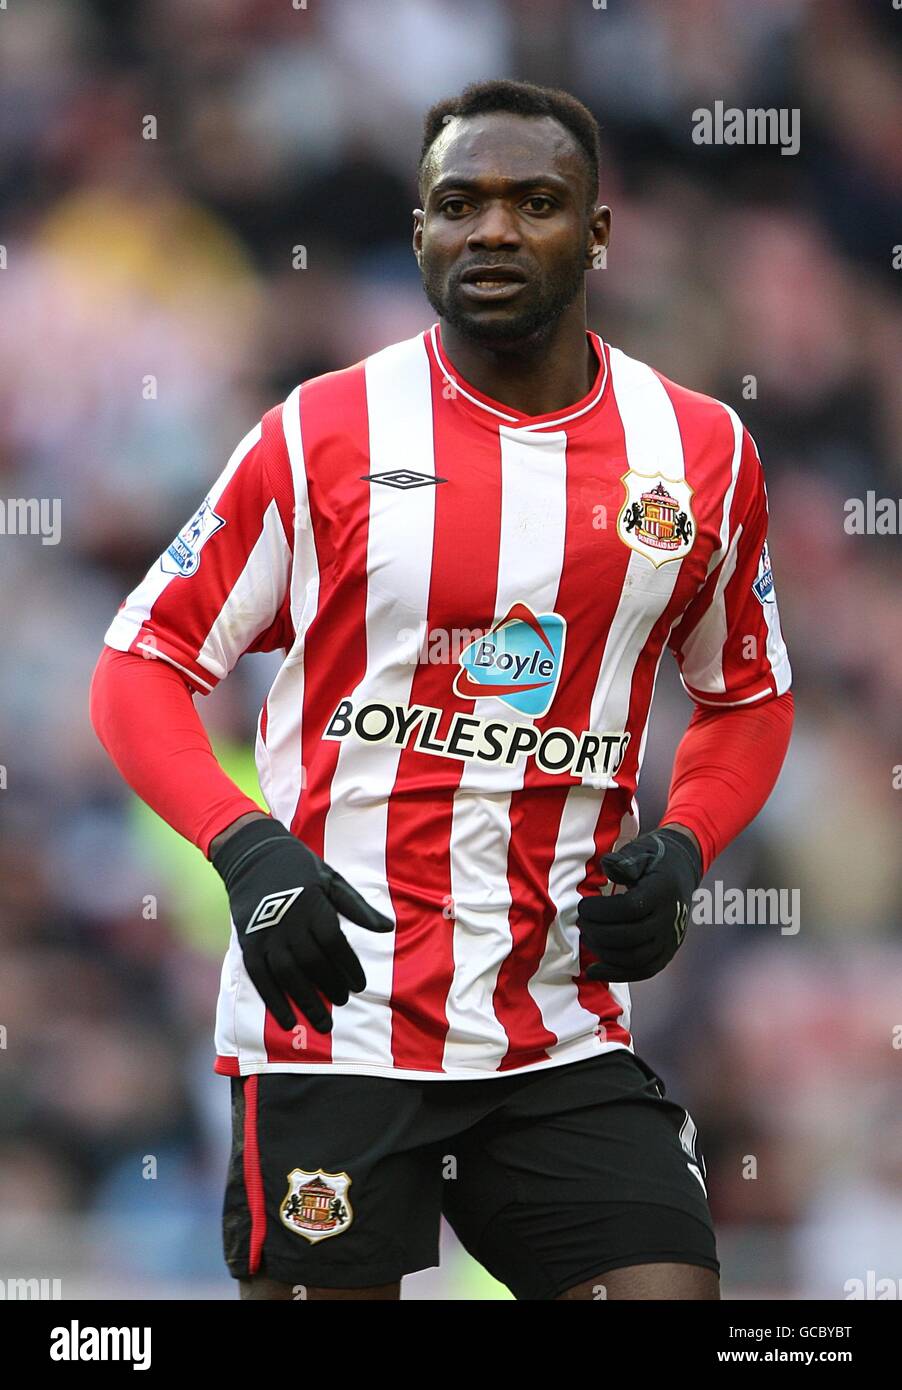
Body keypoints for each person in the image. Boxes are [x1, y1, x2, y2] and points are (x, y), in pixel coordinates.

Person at [90, 79, 794, 1301]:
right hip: (336, 1018)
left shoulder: (697, 452)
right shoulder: (320, 433)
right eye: (457, 204)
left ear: (597, 233)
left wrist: (685, 847)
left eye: (534, 202)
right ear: (417, 229)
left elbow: (743, 690)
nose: (492, 231)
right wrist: (247, 848)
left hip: (558, 1017)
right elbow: (142, 661)